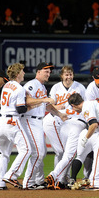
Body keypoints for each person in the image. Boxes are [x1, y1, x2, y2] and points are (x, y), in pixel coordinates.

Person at [0, 63, 53, 190]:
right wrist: (39, 102)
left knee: (4, 154)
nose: (24, 73)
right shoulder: (20, 88)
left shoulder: (6, 86)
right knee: (26, 150)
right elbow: (21, 109)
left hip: (2, 122)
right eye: (22, 71)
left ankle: (0, 182)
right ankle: (11, 175)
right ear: (17, 74)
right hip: (13, 121)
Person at [22, 62, 68, 190]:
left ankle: (38, 180)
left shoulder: (42, 87)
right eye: (46, 71)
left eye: (49, 71)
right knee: (39, 152)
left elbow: (47, 106)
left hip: (37, 121)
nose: (48, 74)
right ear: (38, 72)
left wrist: (59, 114)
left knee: (41, 152)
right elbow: (26, 101)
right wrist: (44, 99)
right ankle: (28, 182)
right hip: (29, 120)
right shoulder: (32, 84)